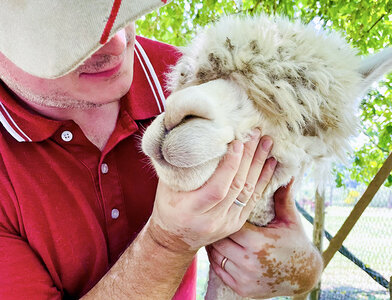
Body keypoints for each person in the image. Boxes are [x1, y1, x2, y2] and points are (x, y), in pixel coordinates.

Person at [0, 1, 322, 299]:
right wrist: (167, 243)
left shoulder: (185, 73)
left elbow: (271, 197)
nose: (116, 43)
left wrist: (300, 266)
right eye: (67, 30)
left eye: (116, 10)